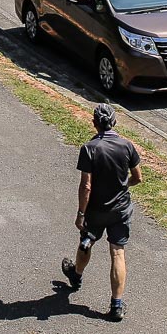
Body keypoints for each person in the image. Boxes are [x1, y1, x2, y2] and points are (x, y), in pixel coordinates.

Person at [60, 102, 141, 322]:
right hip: (121, 210)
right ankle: (116, 305)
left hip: (96, 210)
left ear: (94, 123)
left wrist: (80, 213)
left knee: (87, 241)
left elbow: (86, 186)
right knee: (117, 253)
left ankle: (76, 276)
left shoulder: (89, 148)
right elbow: (137, 177)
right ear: (114, 122)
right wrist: (124, 186)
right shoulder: (127, 145)